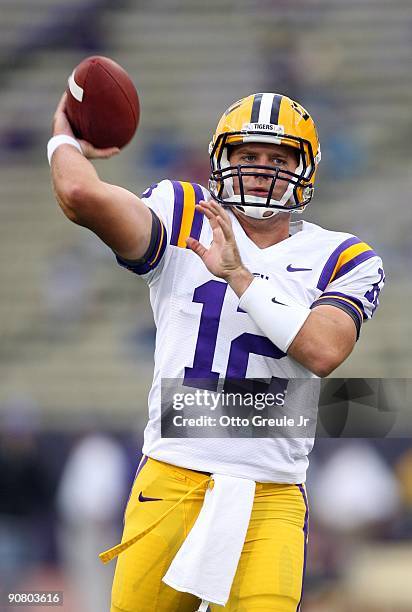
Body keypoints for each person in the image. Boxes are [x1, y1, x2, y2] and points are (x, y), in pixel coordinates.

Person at [48, 91, 385, 612]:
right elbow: (77, 194)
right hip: (174, 477)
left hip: (271, 495)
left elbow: (323, 351)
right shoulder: (182, 210)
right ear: (222, 159)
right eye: (248, 155)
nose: (261, 170)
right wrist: (64, 138)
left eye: (279, 159)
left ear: (306, 170)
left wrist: (240, 277)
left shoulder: (343, 256)